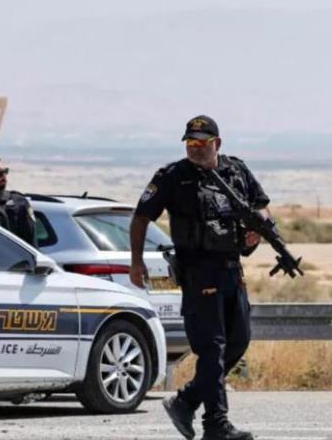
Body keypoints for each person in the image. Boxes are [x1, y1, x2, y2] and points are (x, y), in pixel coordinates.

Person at [130, 115, 267, 440]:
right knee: (212, 348)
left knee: (238, 341)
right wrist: (135, 263)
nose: (195, 149)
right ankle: (215, 425)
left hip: (233, 270)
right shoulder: (172, 177)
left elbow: (262, 206)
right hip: (198, 271)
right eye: (190, 143)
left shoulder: (236, 170)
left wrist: (257, 231)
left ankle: (187, 400)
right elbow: (140, 218)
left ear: (216, 144)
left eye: (202, 143)